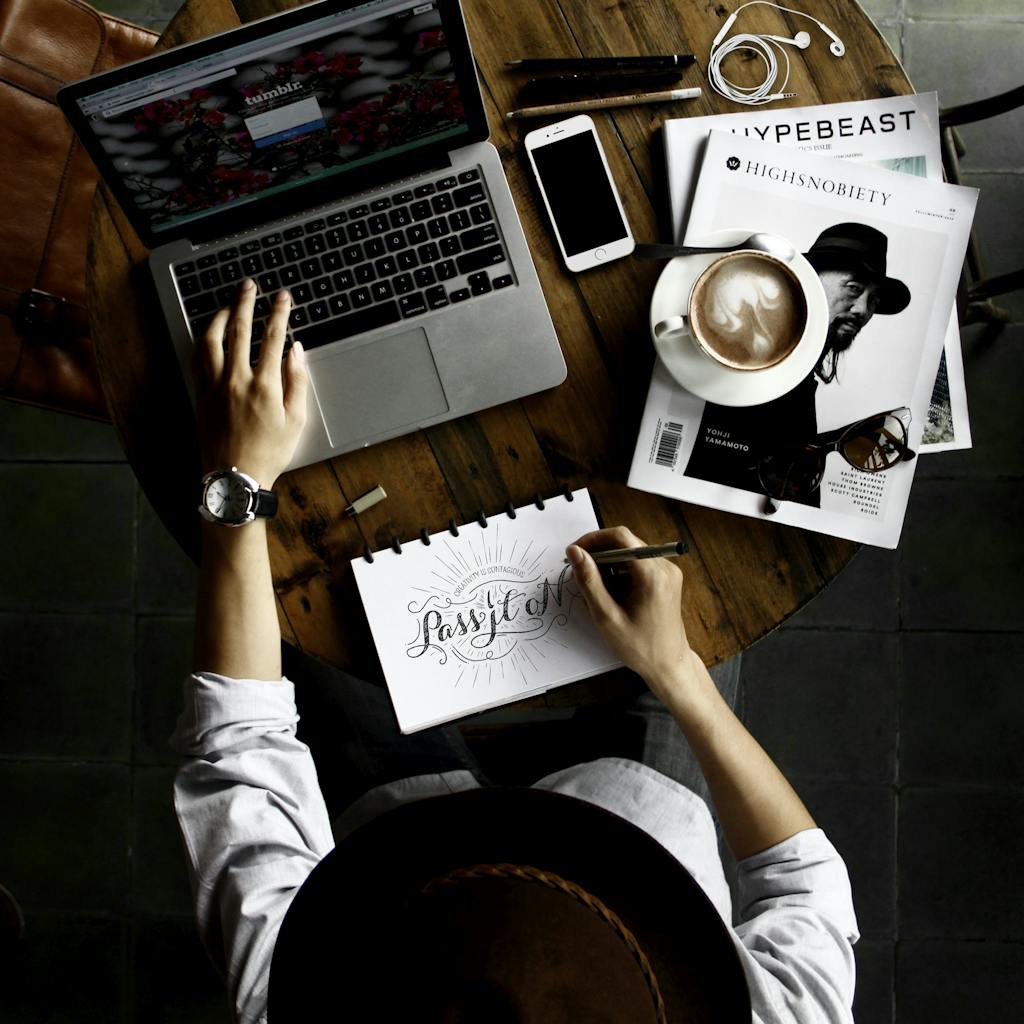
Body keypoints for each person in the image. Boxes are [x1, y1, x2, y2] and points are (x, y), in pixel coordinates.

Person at [172, 279, 859, 1022]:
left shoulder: (295, 994)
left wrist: (237, 485)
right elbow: (802, 881)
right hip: (644, 814)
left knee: (314, 592)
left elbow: (239, 745)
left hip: (396, 834)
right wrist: (675, 670)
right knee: (700, 545)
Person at [682, 222, 911, 505]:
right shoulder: (756, 359)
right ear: (810, 279)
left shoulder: (802, 378)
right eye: (853, 288)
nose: (863, 310)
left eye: (874, 299)